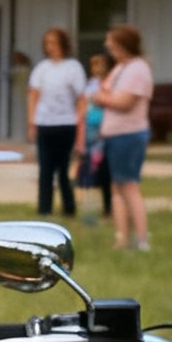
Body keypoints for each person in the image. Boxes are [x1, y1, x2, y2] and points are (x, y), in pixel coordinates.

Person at [92, 23, 154, 251]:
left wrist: (101, 99)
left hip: (129, 135)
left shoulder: (138, 69)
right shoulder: (121, 68)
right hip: (114, 134)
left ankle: (142, 239)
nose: (108, 48)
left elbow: (125, 102)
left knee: (129, 186)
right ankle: (121, 238)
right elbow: (106, 89)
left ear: (123, 45)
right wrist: (104, 93)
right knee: (116, 189)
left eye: (111, 44)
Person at [25, 26, 85, 219]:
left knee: (63, 169)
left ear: (62, 44)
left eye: (53, 42)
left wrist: (79, 120)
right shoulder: (42, 68)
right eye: (47, 43)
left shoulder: (73, 67)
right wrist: (32, 122)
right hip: (45, 123)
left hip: (66, 124)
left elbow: (81, 97)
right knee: (45, 168)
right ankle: (44, 209)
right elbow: (33, 95)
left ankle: (69, 208)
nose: (49, 46)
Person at [77, 52, 112, 224]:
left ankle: (108, 205)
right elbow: (83, 109)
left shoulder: (109, 84)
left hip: (106, 130)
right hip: (90, 129)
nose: (98, 69)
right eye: (95, 65)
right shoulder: (89, 85)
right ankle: (89, 206)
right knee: (90, 167)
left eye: (101, 65)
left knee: (105, 169)